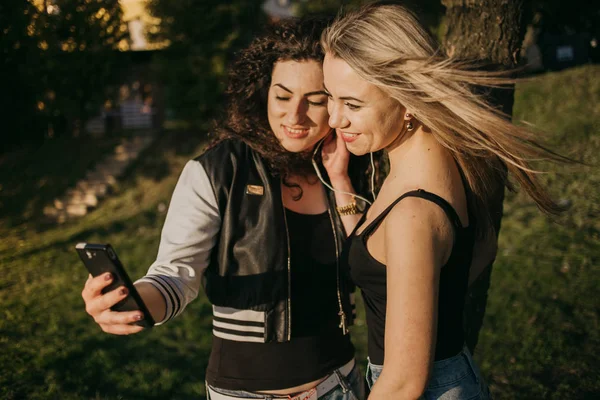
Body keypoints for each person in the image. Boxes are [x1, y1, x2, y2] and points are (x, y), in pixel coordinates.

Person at [82, 18, 368, 400]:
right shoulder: (217, 171)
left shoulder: (355, 165)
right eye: (282, 97)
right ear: (262, 92)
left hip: (342, 385)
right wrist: (133, 303)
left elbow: (374, 265)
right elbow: (175, 275)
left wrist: (344, 184)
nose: (295, 115)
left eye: (315, 101)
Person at [321, 3, 570, 399]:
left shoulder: (413, 212)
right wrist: (340, 183)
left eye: (352, 104)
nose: (334, 119)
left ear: (408, 101)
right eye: (329, 97)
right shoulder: (442, 162)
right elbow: (478, 253)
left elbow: (404, 384)